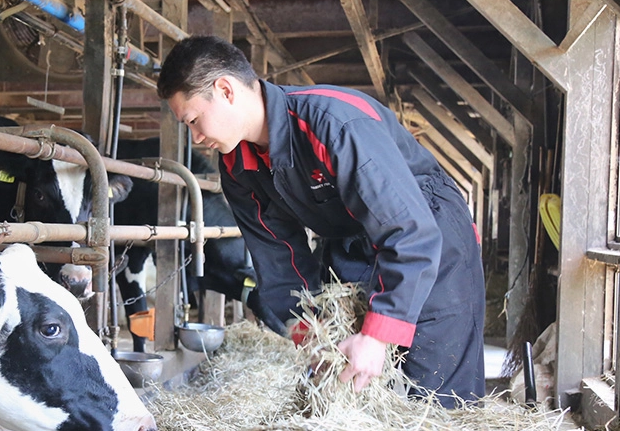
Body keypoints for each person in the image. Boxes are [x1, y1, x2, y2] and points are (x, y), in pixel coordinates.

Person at [157, 35, 485, 407]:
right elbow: (279, 260)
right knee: (347, 386)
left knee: (436, 388)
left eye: (195, 120)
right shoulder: (238, 167)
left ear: (226, 89)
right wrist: (312, 333)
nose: (197, 137)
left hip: (428, 233)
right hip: (350, 240)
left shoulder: (334, 124)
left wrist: (377, 336)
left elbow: (409, 231)